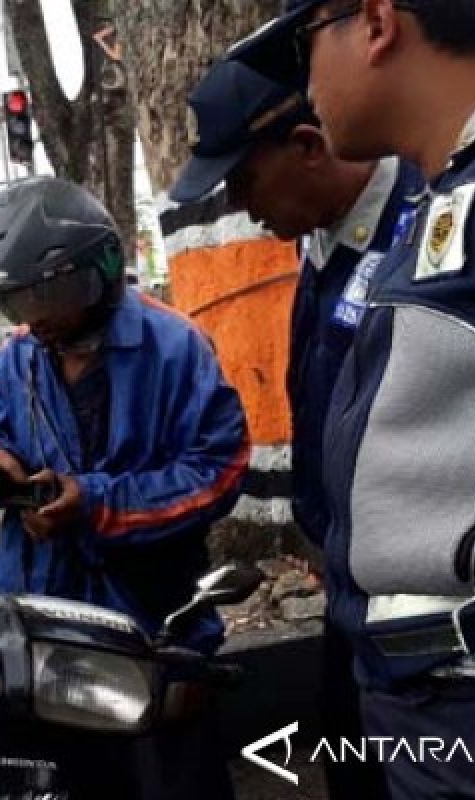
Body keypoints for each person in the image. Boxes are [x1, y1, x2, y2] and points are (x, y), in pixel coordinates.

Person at [229, 1, 475, 797]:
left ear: (377, 21)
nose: (307, 86)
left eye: (306, 48)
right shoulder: (449, 188)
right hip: (442, 694)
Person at [0, 177, 249, 799]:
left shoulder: (178, 348)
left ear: (100, 273)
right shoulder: (16, 360)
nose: (36, 317)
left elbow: (217, 470)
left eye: (50, 294)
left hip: (151, 634)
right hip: (36, 635)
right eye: (19, 302)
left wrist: (97, 503)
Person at [170, 57, 423, 800]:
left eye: (245, 183)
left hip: (429, 613)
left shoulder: (426, 229)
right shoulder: (322, 238)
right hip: (349, 587)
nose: (246, 211)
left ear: (308, 146)